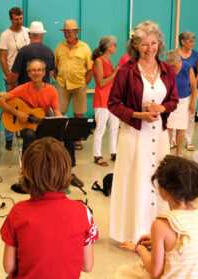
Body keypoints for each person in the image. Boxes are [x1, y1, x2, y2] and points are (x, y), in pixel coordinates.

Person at [108, 21, 179, 243]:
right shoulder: (127, 71)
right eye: (144, 44)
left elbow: (173, 100)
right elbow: (113, 103)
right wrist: (138, 115)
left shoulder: (167, 69)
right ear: (136, 46)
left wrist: (161, 107)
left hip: (159, 135)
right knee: (135, 179)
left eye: (154, 43)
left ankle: (159, 232)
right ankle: (133, 232)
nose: (150, 48)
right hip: (134, 134)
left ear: (160, 44)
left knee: (160, 180)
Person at [0, 137, 99, 278]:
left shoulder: (18, 212)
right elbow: (87, 266)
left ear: (27, 173)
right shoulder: (82, 211)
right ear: (66, 171)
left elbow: (9, 267)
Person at [0, 59, 83, 193]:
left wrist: (61, 119)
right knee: (30, 136)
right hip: (26, 126)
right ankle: (26, 175)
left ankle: (67, 173)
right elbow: (0, 101)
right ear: (29, 74)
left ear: (44, 73)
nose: (36, 73)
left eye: (39, 70)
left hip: (43, 125)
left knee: (68, 136)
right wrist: (17, 113)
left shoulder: (52, 90)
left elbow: (56, 110)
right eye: (33, 70)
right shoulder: (23, 88)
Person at [114, 155, 198, 279]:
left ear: (163, 189)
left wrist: (139, 249)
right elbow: (188, 246)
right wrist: (156, 240)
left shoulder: (161, 224)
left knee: (123, 273)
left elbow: (155, 271)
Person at [54, 19, 93, 151]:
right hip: (62, 85)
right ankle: (57, 139)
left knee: (78, 114)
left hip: (79, 86)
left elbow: (90, 68)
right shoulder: (59, 47)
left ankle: (78, 140)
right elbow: (54, 66)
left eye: (70, 32)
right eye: (65, 32)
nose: (67, 35)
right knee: (59, 112)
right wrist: (57, 79)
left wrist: (85, 84)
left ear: (76, 32)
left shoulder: (85, 48)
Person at [0, 7, 30, 150]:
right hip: (12, 76)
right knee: (10, 108)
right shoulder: (5, 35)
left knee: (27, 106)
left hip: (27, 76)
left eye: (21, 19)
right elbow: (3, 58)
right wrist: (9, 78)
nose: (19, 21)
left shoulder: (27, 32)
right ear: (11, 19)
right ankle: (9, 138)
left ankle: (26, 135)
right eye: (16, 19)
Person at [91, 36, 120, 166]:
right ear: (109, 46)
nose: (116, 47)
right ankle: (97, 154)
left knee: (114, 126)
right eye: (115, 45)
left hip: (111, 99)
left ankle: (113, 152)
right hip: (102, 98)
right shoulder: (99, 61)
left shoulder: (108, 61)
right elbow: (101, 82)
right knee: (101, 127)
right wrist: (115, 73)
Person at [166, 50, 197, 156]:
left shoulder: (187, 67)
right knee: (168, 127)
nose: (172, 69)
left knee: (181, 127)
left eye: (174, 66)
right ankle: (167, 153)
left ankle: (178, 153)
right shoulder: (166, 68)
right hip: (170, 101)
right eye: (170, 66)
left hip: (184, 101)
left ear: (179, 61)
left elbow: (193, 87)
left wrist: (193, 103)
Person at [7, 21, 54, 90]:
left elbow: (15, 74)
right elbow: (51, 72)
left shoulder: (23, 51)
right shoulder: (49, 51)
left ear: (29, 34)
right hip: (44, 91)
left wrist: (10, 86)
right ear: (42, 35)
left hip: (26, 92)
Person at [177, 31, 198, 151]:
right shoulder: (175, 54)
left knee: (191, 114)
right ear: (183, 41)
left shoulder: (197, 55)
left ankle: (189, 140)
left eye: (193, 41)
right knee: (175, 114)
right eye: (190, 41)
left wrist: (192, 84)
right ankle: (173, 140)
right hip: (177, 90)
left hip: (192, 89)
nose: (193, 43)